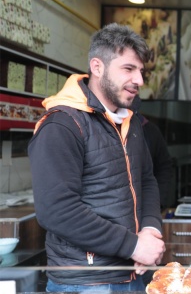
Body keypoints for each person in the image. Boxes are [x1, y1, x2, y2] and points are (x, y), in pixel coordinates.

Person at [28, 23, 165, 292]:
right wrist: (133, 245)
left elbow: (146, 179)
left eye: (141, 71)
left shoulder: (131, 121)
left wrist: (150, 228)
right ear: (97, 67)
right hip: (86, 282)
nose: (139, 80)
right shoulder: (62, 124)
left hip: (133, 274)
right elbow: (57, 211)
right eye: (128, 69)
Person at [133, 96, 175, 211]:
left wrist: (159, 201)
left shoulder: (150, 131)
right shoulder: (101, 129)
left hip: (146, 207)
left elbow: (164, 166)